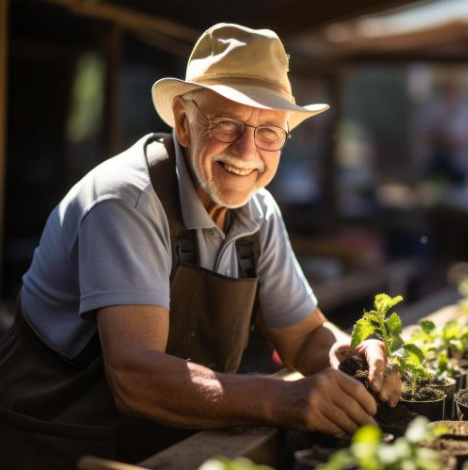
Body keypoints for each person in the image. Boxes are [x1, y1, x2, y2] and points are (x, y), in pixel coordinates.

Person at [0, 23, 400, 469]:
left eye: (269, 131)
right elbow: (135, 375)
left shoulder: (258, 212)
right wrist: (280, 397)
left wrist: (348, 354)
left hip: (166, 446)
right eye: (228, 123)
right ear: (184, 123)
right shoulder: (126, 200)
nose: (248, 152)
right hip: (60, 447)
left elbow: (305, 335)